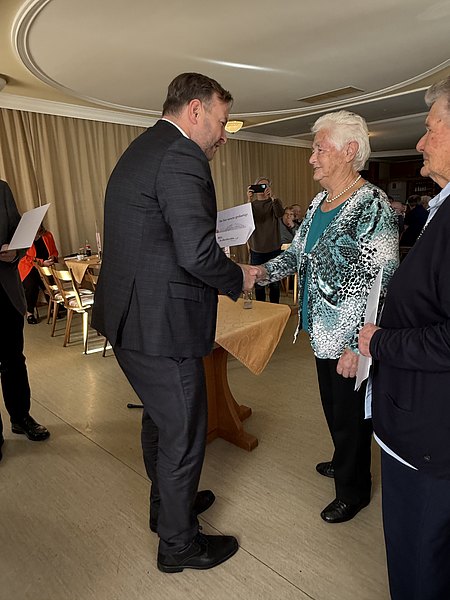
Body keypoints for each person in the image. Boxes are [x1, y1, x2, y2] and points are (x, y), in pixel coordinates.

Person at [92, 73, 257, 573]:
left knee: (160, 420)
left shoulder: (143, 147)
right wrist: (239, 276)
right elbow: (197, 253)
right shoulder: (183, 155)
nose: (224, 135)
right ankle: (179, 545)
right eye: (222, 122)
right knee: (183, 430)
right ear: (195, 111)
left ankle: (166, 508)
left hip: (131, 317)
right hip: (161, 324)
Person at [253, 111, 398, 523]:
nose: (312, 157)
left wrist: (358, 346)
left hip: (351, 339)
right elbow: (297, 256)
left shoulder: (372, 206)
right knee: (334, 408)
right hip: (321, 331)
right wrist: (259, 273)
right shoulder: (320, 202)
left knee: (351, 418)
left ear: (349, 151)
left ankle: (354, 491)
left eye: (319, 148)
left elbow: (384, 283)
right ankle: (343, 459)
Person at [359, 76, 450, 600]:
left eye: (430, 128)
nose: (419, 142)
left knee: (420, 559)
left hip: (431, 438)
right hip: (421, 420)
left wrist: (379, 343)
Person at [0, 180, 51, 462]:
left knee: (14, 360)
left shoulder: (2, 189)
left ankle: (21, 417)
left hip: (6, 292)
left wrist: (15, 252)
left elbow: (19, 233)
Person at [247, 177, 284, 303]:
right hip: (257, 248)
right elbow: (247, 220)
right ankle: (261, 308)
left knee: (275, 282)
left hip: (274, 248)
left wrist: (273, 197)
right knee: (258, 282)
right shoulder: (251, 205)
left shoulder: (274, 202)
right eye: (260, 187)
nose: (263, 190)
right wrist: (249, 199)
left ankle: (275, 308)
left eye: (266, 186)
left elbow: (280, 214)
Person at [18, 223, 59, 324]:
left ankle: (53, 308)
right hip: (28, 267)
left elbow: (54, 251)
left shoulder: (48, 235)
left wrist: (53, 257)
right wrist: (41, 262)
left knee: (50, 283)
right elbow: (24, 257)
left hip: (45, 267)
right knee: (32, 286)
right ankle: (29, 312)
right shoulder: (24, 238)